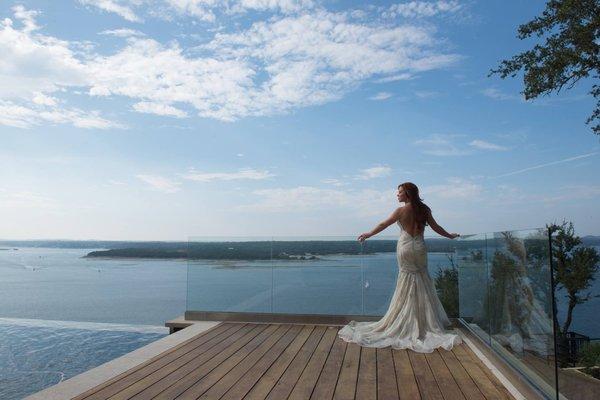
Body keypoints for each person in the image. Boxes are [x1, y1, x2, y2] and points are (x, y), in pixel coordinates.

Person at [337, 182, 462, 353]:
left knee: (407, 280)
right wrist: (450, 236)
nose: (397, 195)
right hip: (419, 247)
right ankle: (423, 321)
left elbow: (383, 224)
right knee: (422, 279)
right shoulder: (424, 209)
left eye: (400, 192)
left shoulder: (401, 211)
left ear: (408, 194)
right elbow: (436, 227)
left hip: (404, 248)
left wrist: (368, 234)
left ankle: (407, 320)